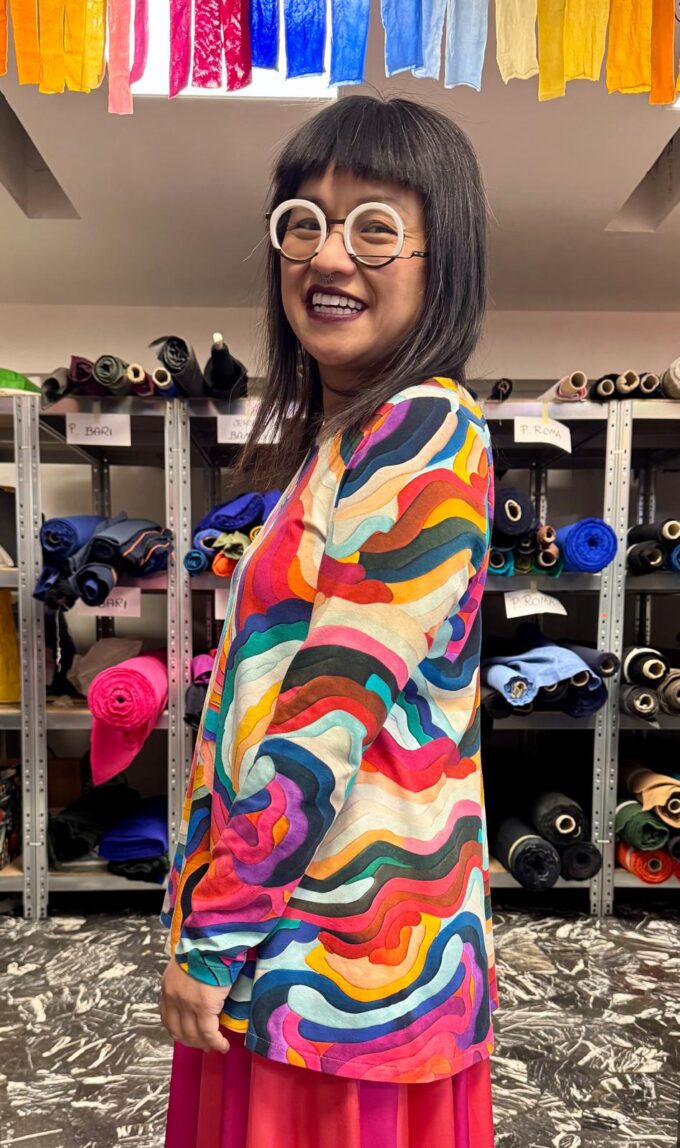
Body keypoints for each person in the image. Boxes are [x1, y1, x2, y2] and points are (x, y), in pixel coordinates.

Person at [159, 94, 497, 1148]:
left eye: (375, 228)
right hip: (308, 942)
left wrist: (213, 939)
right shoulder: (348, 441)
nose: (327, 255)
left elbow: (324, 718)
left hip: (335, 964)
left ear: (441, 258)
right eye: (302, 223)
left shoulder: (423, 428)